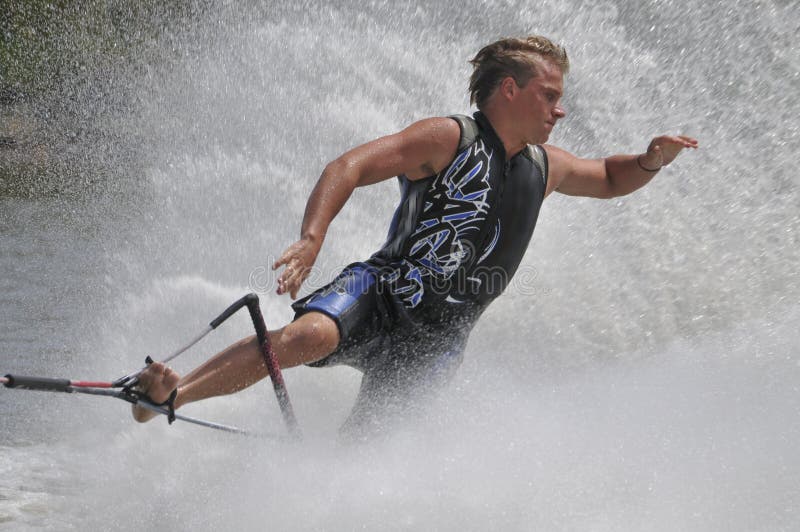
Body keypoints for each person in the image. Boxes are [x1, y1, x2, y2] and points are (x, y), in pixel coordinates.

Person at [132, 36, 698, 435]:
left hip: (439, 340)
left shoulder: (545, 166)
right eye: (550, 95)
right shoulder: (448, 137)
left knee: (365, 452)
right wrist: (311, 238)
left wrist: (650, 160)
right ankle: (167, 396)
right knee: (307, 338)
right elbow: (349, 165)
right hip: (380, 294)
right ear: (509, 90)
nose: (560, 109)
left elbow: (609, 177)